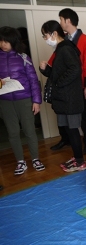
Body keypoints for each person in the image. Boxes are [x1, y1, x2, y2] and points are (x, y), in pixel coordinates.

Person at [49, 8, 86, 155]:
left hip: (79, 84)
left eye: (61, 19)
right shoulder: (63, 40)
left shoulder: (84, 40)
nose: (60, 23)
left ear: (67, 20)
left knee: (83, 113)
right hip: (65, 86)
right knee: (62, 113)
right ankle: (66, 139)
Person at [39, 20, 86, 172]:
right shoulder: (60, 49)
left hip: (70, 98)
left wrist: (59, 83)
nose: (45, 39)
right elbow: (57, 74)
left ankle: (80, 162)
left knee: (72, 130)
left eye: (45, 35)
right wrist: (46, 70)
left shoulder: (66, 48)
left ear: (54, 33)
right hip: (64, 98)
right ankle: (77, 158)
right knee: (68, 130)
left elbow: (75, 70)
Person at [0, 26, 45, 175]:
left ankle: (35, 159)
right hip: (5, 101)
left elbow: (33, 79)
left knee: (30, 131)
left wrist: (36, 101)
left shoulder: (23, 57)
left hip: (25, 99)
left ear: (13, 41)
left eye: (6, 41)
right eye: (1, 41)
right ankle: (20, 161)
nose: (3, 44)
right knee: (12, 132)